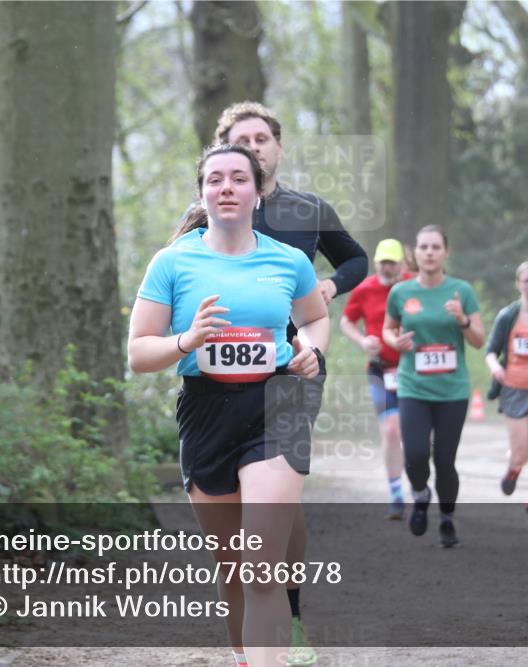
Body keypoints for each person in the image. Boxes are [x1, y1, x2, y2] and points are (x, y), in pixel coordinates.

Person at [129, 144, 330, 667]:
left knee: (262, 566)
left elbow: (314, 318)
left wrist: (311, 351)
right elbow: (138, 353)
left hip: (275, 406)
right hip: (206, 412)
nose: (226, 187)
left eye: (239, 178)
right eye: (215, 179)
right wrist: (187, 340)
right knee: (234, 568)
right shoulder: (172, 262)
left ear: (258, 191)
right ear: (202, 192)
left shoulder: (287, 261)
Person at [214, 101, 367, 667]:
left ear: (277, 147)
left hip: (296, 368)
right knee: (237, 498)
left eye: (262, 138)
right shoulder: (209, 208)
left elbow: (357, 260)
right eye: (241, 139)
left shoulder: (307, 208)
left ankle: (289, 612)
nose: (254, 147)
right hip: (223, 375)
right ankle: (254, 612)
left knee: (280, 494)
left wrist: (326, 290)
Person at [382, 225, 485, 547]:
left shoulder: (461, 291)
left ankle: (447, 519)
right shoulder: (401, 292)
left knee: (444, 459)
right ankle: (420, 493)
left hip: (452, 390)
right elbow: (387, 329)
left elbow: (479, 341)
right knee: (413, 454)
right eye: (424, 247)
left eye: (435, 247)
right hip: (413, 386)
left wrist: (462, 320)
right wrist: (394, 341)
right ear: (415, 252)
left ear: (445, 253)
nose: (429, 252)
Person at [340, 238, 414, 519]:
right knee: (392, 430)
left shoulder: (413, 286)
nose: (387, 267)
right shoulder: (365, 289)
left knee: (414, 434)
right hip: (380, 369)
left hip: (412, 370)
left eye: (392, 262)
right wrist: (361, 340)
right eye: (383, 261)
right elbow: (346, 320)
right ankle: (396, 492)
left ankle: (418, 481)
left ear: (402, 264)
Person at [485, 261, 528, 525]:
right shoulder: (508, 315)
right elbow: (491, 350)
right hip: (514, 387)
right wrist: (495, 369)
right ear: (518, 284)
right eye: (526, 280)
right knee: (521, 453)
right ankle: (514, 468)